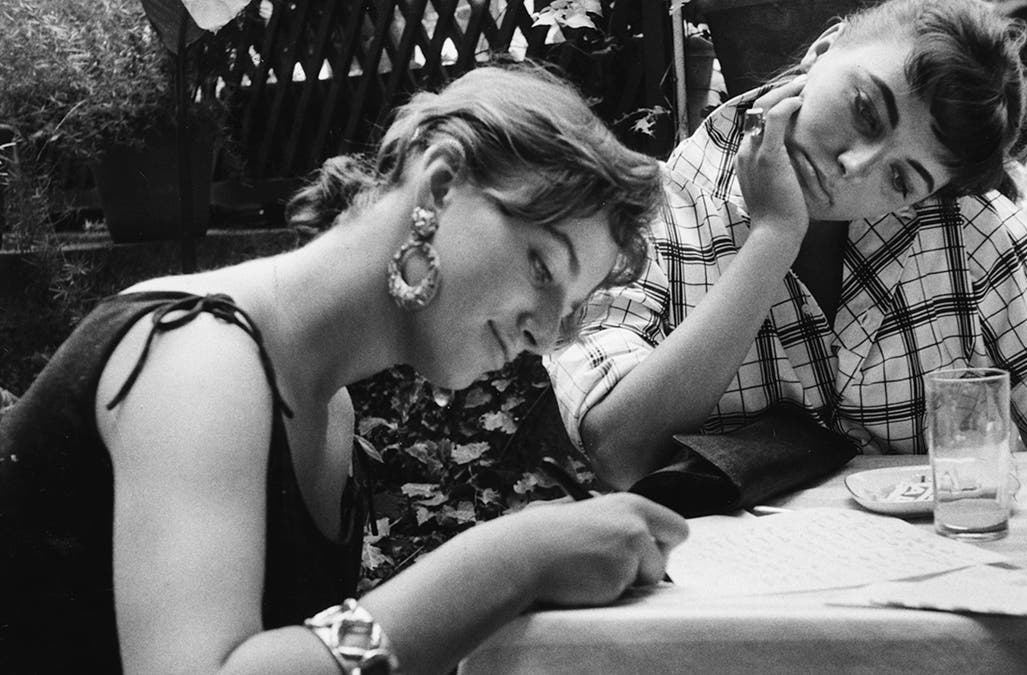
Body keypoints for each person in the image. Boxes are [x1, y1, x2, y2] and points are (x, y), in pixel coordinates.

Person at [0, 65, 687, 674]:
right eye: (542, 266)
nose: (543, 331)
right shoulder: (198, 359)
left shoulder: (330, 412)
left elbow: (325, 651)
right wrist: (510, 559)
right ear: (440, 186)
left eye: (566, 309)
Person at [546, 0, 1027, 489]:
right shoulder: (642, 216)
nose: (855, 166)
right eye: (864, 110)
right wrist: (772, 239)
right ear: (822, 49)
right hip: (720, 594)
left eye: (901, 180)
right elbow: (619, 452)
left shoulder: (972, 228)